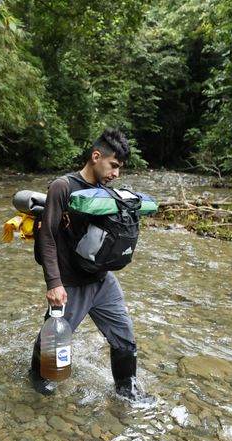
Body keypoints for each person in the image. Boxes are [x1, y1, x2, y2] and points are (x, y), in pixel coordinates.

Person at [29, 128, 152, 402]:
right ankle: (37, 382)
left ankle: (127, 390)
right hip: (71, 284)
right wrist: (54, 284)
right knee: (53, 340)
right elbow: (47, 236)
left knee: (124, 335)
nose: (116, 173)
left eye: (120, 168)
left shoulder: (105, 193)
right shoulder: (63, 187)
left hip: (102, 281)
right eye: (113, 165)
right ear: (96, 156)